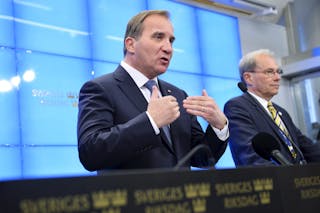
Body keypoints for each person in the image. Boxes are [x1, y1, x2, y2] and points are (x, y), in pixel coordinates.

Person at [77, 10, 229, 172]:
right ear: (131, 44)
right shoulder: (100, 88)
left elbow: (202, 158)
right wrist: (150, 122)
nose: (168, 48)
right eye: (158, 37)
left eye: (171, 41)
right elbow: (91, 154)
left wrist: (219, 127)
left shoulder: (177, 95)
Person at [224, 49, 320, 166]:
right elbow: (251, 157)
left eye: (278, 71)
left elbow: (306, 147)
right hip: (273, 181)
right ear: (248, 78)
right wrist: (289, 177)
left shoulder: (281, 112)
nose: (277, 77)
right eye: (269, 72)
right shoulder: (237, 107)